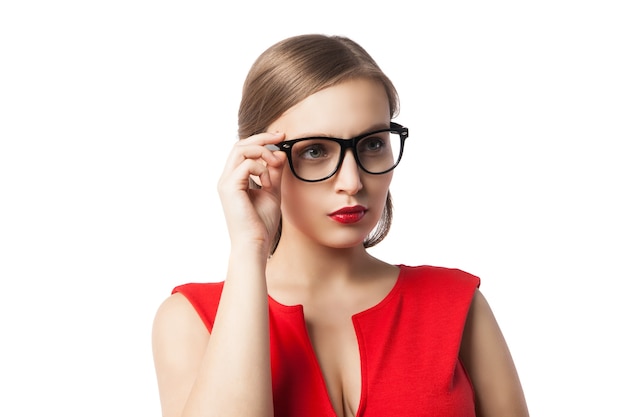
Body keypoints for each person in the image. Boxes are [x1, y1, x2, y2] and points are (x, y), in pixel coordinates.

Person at [151, 34, 529, 417]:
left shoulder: (457, 306)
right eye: (315, 151)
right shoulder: (191, 320)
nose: (352, 181)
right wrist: (250, 246)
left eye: (372, 144)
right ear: (259, 159)